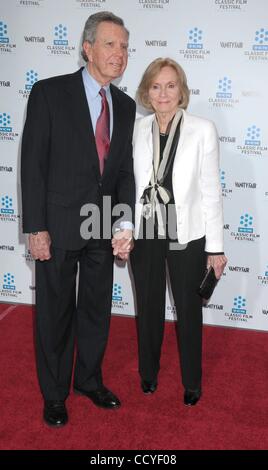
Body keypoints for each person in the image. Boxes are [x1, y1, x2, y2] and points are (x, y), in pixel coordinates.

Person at [21, 11, 135, 427]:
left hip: (102, 226)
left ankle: (88, 379)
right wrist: (35, 227)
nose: (119, 53)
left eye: (124, 46)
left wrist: (123, 223)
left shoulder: (124, 105)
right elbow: (32, 164)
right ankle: (54, 394)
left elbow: (123, 172)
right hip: (57, 223)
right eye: (110, 44)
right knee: (54, 313)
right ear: (87, 48)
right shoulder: (50, 93)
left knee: (95, 310)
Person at [130, 58, 227, 406]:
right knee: (149, 306)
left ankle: (192, 382)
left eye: (171, 85)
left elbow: (211, 191)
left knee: (188, 309)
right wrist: (123, 226)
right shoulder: (137, 129)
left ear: (181, 90)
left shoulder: (202, 129)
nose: (163, 93)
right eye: (156, 86)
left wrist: (215, 247)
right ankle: (148, 374)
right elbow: (131, 184)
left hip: (188, 231)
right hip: (147, 230)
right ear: (147, 92)